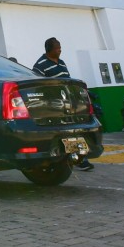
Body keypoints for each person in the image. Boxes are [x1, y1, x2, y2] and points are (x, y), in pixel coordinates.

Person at [33, 37, 94, 171]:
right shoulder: (40, 65)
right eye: (57, 48)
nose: (60, 50)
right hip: (54, 106)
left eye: (60, 48)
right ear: (49, 50)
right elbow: (39, 86)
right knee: (65, 133)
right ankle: (74, 159)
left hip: (69, 103)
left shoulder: (61, 63)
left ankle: (80, 158)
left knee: (74, 130)